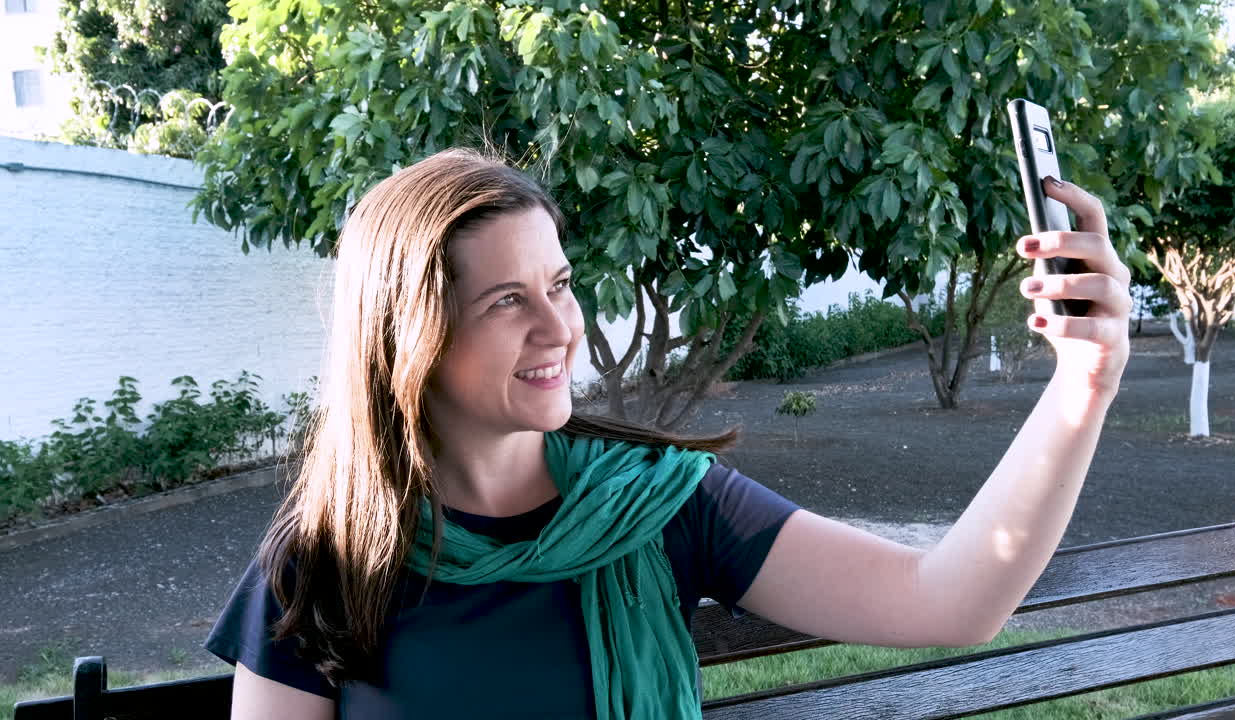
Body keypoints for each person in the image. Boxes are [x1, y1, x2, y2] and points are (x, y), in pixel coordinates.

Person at [202, 147, 1131, 719]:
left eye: (560, 285)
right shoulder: (325, 561)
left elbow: (950, 600)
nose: (560, 329)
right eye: (506, 302)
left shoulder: (659, 504)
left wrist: (1086, 382)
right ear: (411, 337)